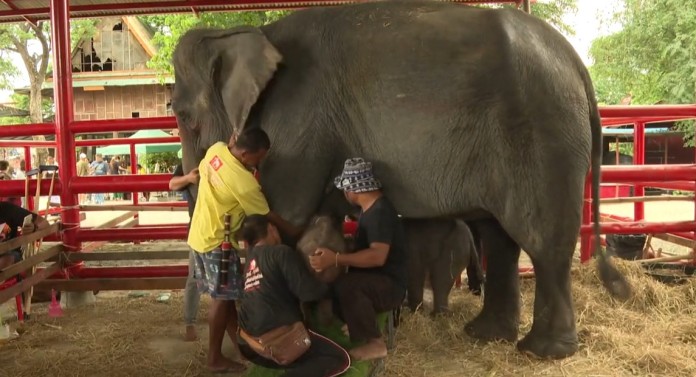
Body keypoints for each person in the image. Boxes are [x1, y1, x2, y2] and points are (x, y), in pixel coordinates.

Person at [187, 128, 301, 373]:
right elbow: (265, 214)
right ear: (246, 154)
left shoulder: (216, 150)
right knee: (220, 300)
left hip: (199, 234)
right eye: (258, 158)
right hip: (219, 242)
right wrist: (293, 231)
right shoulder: (245, 183)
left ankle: (241, 347)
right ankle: (214, 358)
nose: (259, 163)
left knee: (226, 296)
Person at [309, 157, 408, 361]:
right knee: (339, 286)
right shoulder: (369, 210)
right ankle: (358, 323)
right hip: (378, 281)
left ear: (353, 189)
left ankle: (375, 344)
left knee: (348, 285)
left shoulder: (380, 212)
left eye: (345, 189)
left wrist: (335, 259)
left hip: (390, 287)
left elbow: (377, 257)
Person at [237, 214, 350, 377]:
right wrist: (332, 285)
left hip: (249, 346)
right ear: (271, 229)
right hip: (279, 341)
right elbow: (308, 292)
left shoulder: (249, 261)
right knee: (340, 359)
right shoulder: (281, 252)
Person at [168, 163, 201, 342]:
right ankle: (190, 322)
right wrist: (189, 178)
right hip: (197, 226)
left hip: (222, 226)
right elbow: (172, 184)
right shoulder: (190, 160)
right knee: (194, 276)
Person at [0, 201, 50, 271]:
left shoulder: (6, 209)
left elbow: (44, 223)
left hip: (9, 255)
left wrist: (34, 228)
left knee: (6, 260)